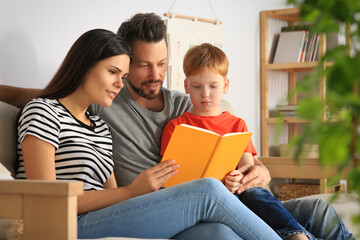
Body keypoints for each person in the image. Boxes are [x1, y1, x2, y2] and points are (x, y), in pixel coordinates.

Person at [1, 13, 353, 240]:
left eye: (163, 64)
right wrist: (134, 191)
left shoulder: (101, 122)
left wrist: (256, 171)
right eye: (126, 71)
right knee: (207, 195)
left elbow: (105, 186)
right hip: (93, 218)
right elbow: (44, 196)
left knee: (316, 210)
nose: (154, 75)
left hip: (140, 206)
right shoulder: (67, 109)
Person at [161, 43, 316, 240]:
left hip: (237, 196)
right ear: (186, 86)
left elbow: (247, 171)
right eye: (197, 86)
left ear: (225, 85)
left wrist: (236, 181)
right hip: (198, 200)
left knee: (256, 194)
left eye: (213, 86)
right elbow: (170, 178)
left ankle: (296, 235)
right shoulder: (176, 127)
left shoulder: (237, 124)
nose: (205, 94)